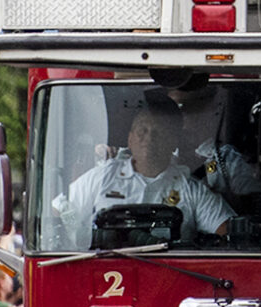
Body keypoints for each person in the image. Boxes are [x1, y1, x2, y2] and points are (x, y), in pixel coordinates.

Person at [49, 103, 235, 248]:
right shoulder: (102, 177)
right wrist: (78, 235)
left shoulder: (191, 189)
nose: (149, 138)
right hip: (103, 273)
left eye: (158, 132)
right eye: (142, 130)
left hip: (170, 277)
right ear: (130, 139)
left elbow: (228, 231)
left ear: (173, 143)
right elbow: (59, 207)